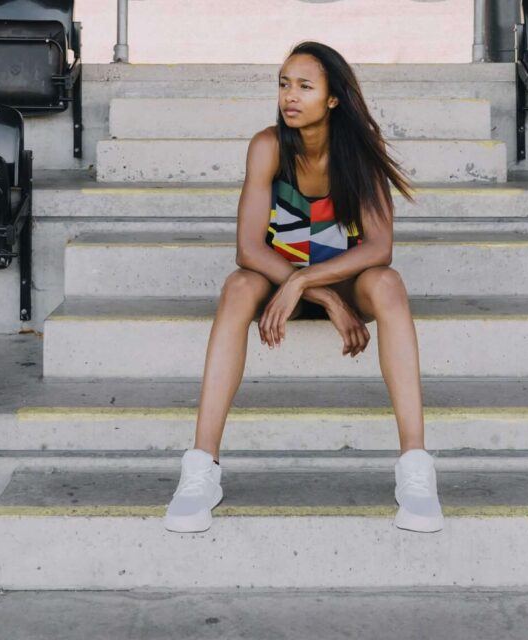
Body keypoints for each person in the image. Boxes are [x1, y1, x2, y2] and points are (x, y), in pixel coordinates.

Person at [163, 41, 441, 534]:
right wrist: (315, 294)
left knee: (389, 285)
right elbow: (249, 249)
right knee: (236, 287)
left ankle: (416, 470)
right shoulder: (268, 146)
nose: (290, 96)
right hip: (277, 281)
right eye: (284, 83)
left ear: (333, 98)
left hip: (341, 279)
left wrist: (318, 281)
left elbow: (379, 248)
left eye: (305, 86)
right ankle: (201, 469)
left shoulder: (359, 152)